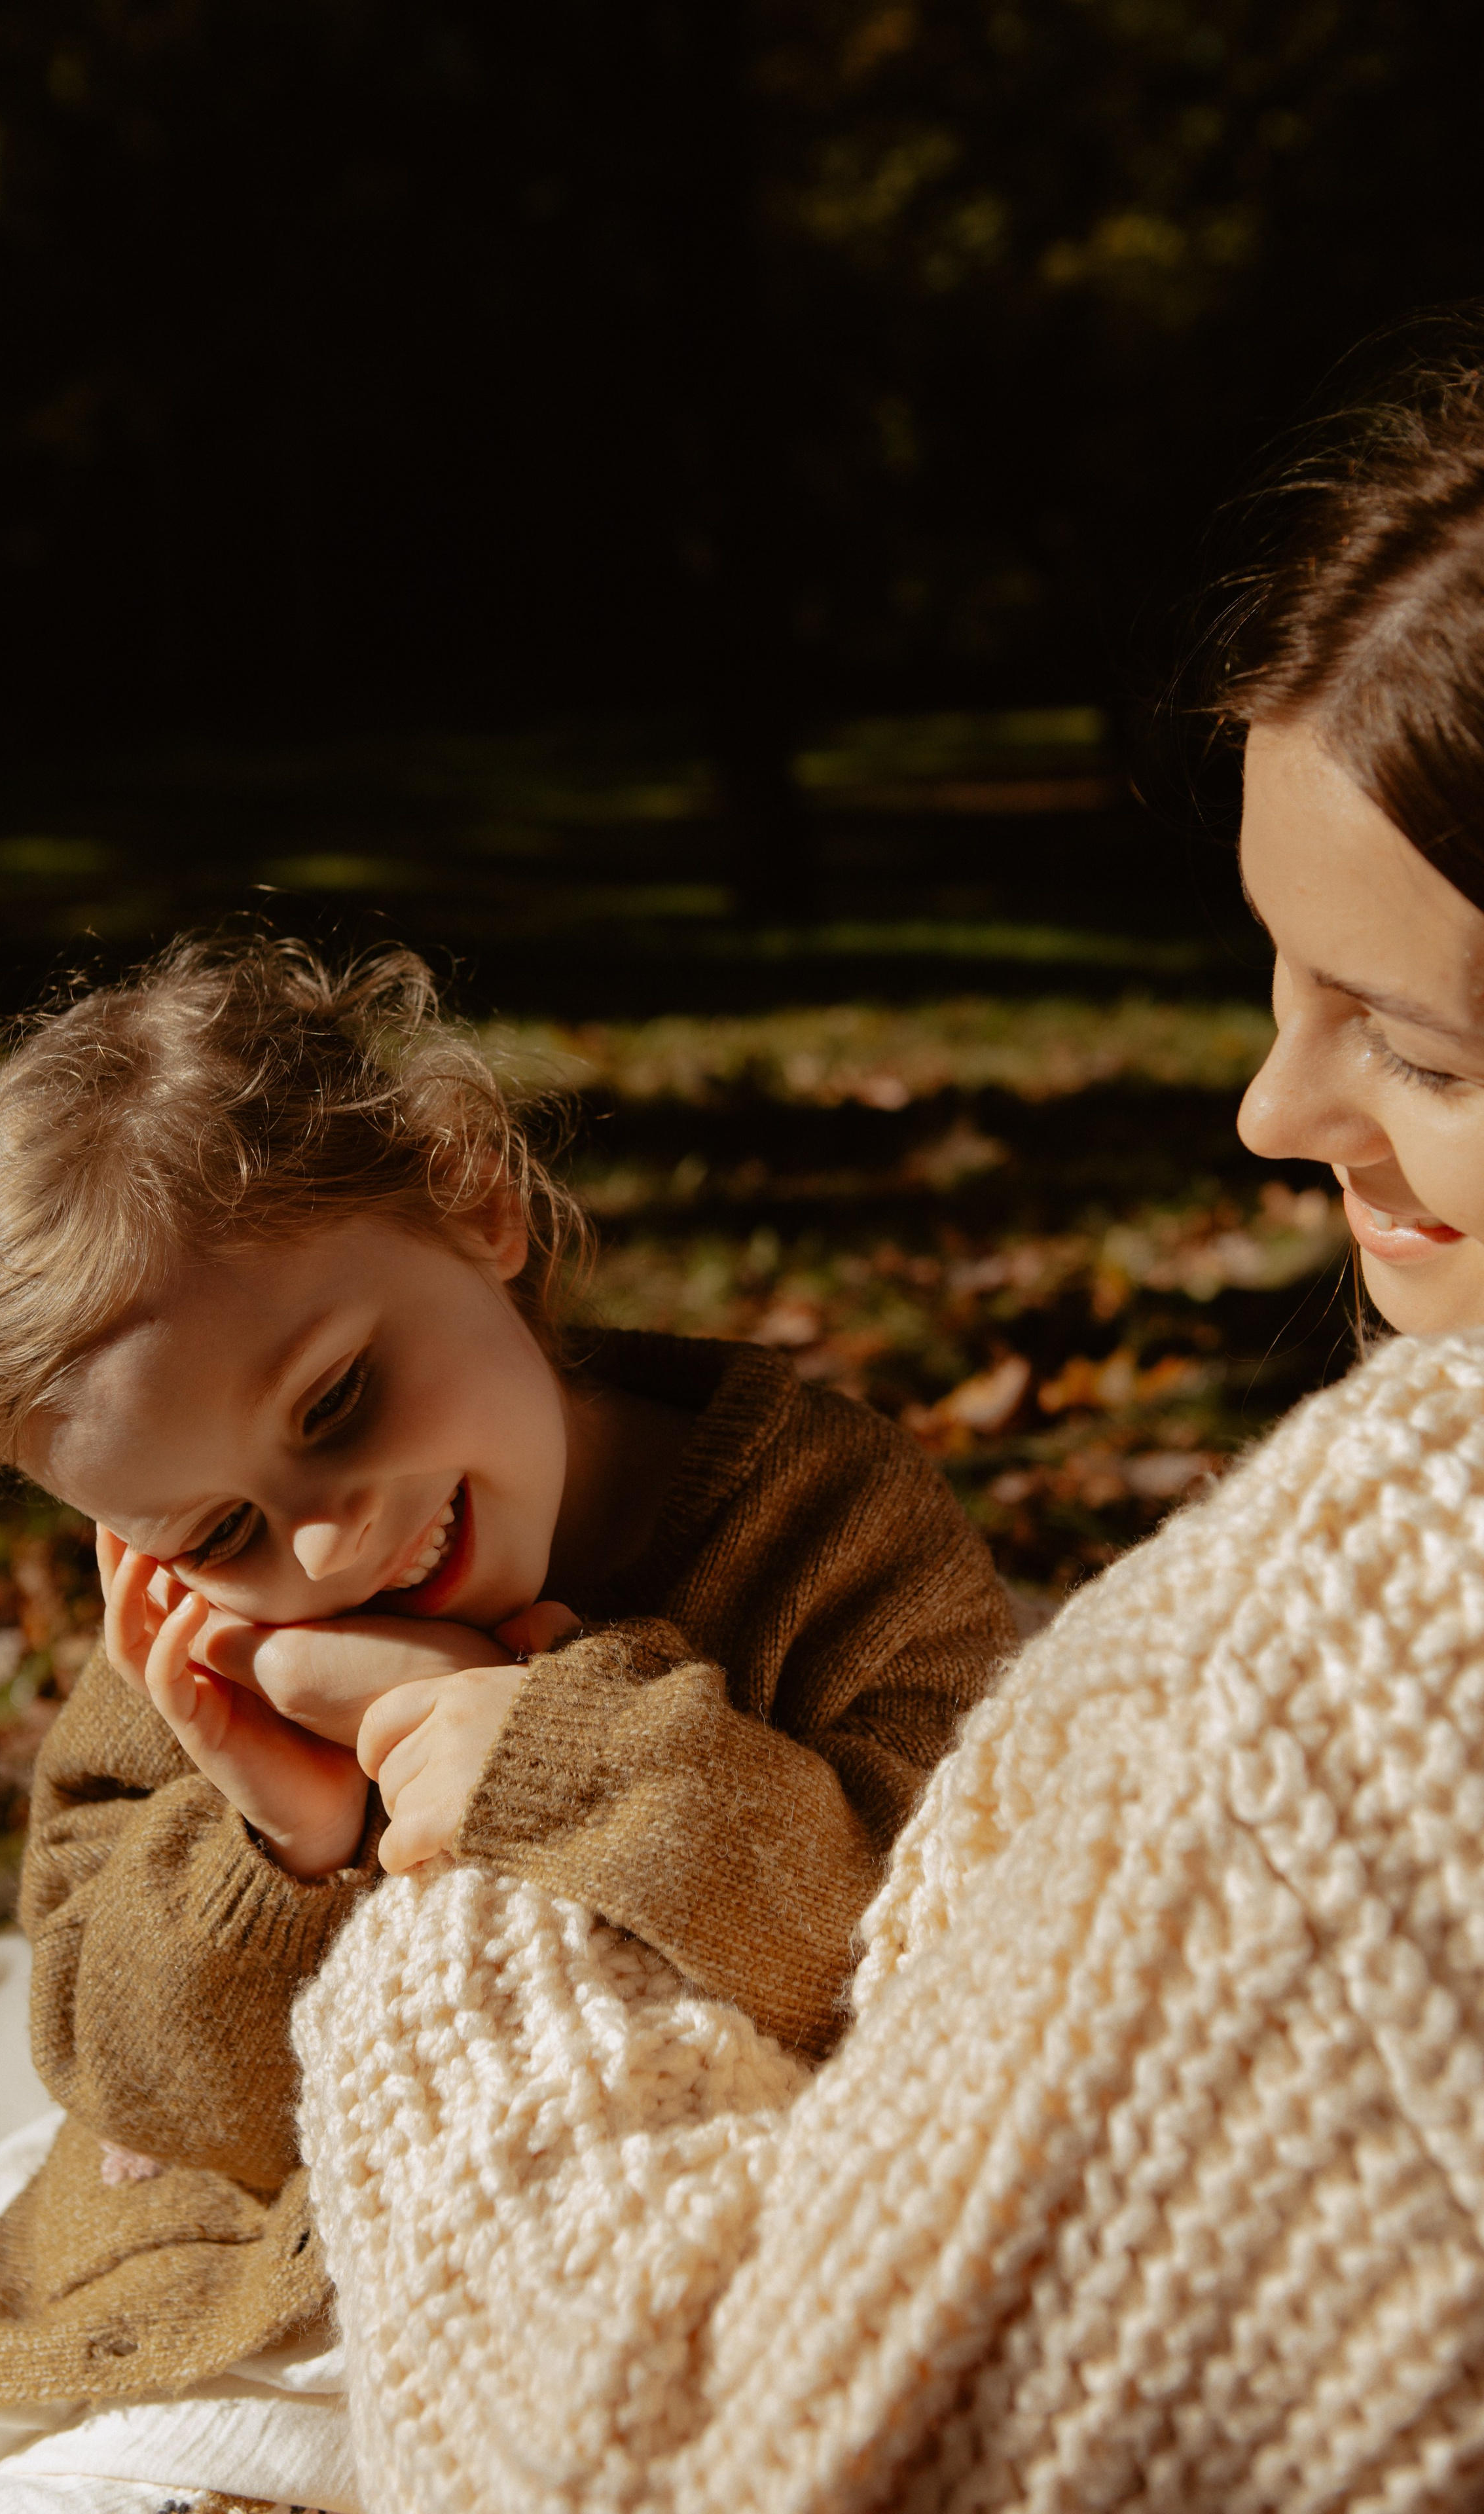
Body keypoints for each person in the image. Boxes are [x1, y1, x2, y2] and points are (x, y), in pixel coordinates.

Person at [288, 336, 1484, 2510]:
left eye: (1417, 1050)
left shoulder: (1373, 1680)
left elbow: (665, 2475)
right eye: (1281, 987)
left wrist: (463, 1863)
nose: (1274, 1112)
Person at [0, 937, 1013, 2511]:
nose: (320, 1548)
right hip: (196, 2303)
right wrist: (269, 1844)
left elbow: (918, 1948)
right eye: (215, 1530)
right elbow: (142, 2089)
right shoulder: (197, 1661)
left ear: (470, 1199)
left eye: (333, 1405)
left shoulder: (823, 1529)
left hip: (597, 2275)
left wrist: (549, 1759)